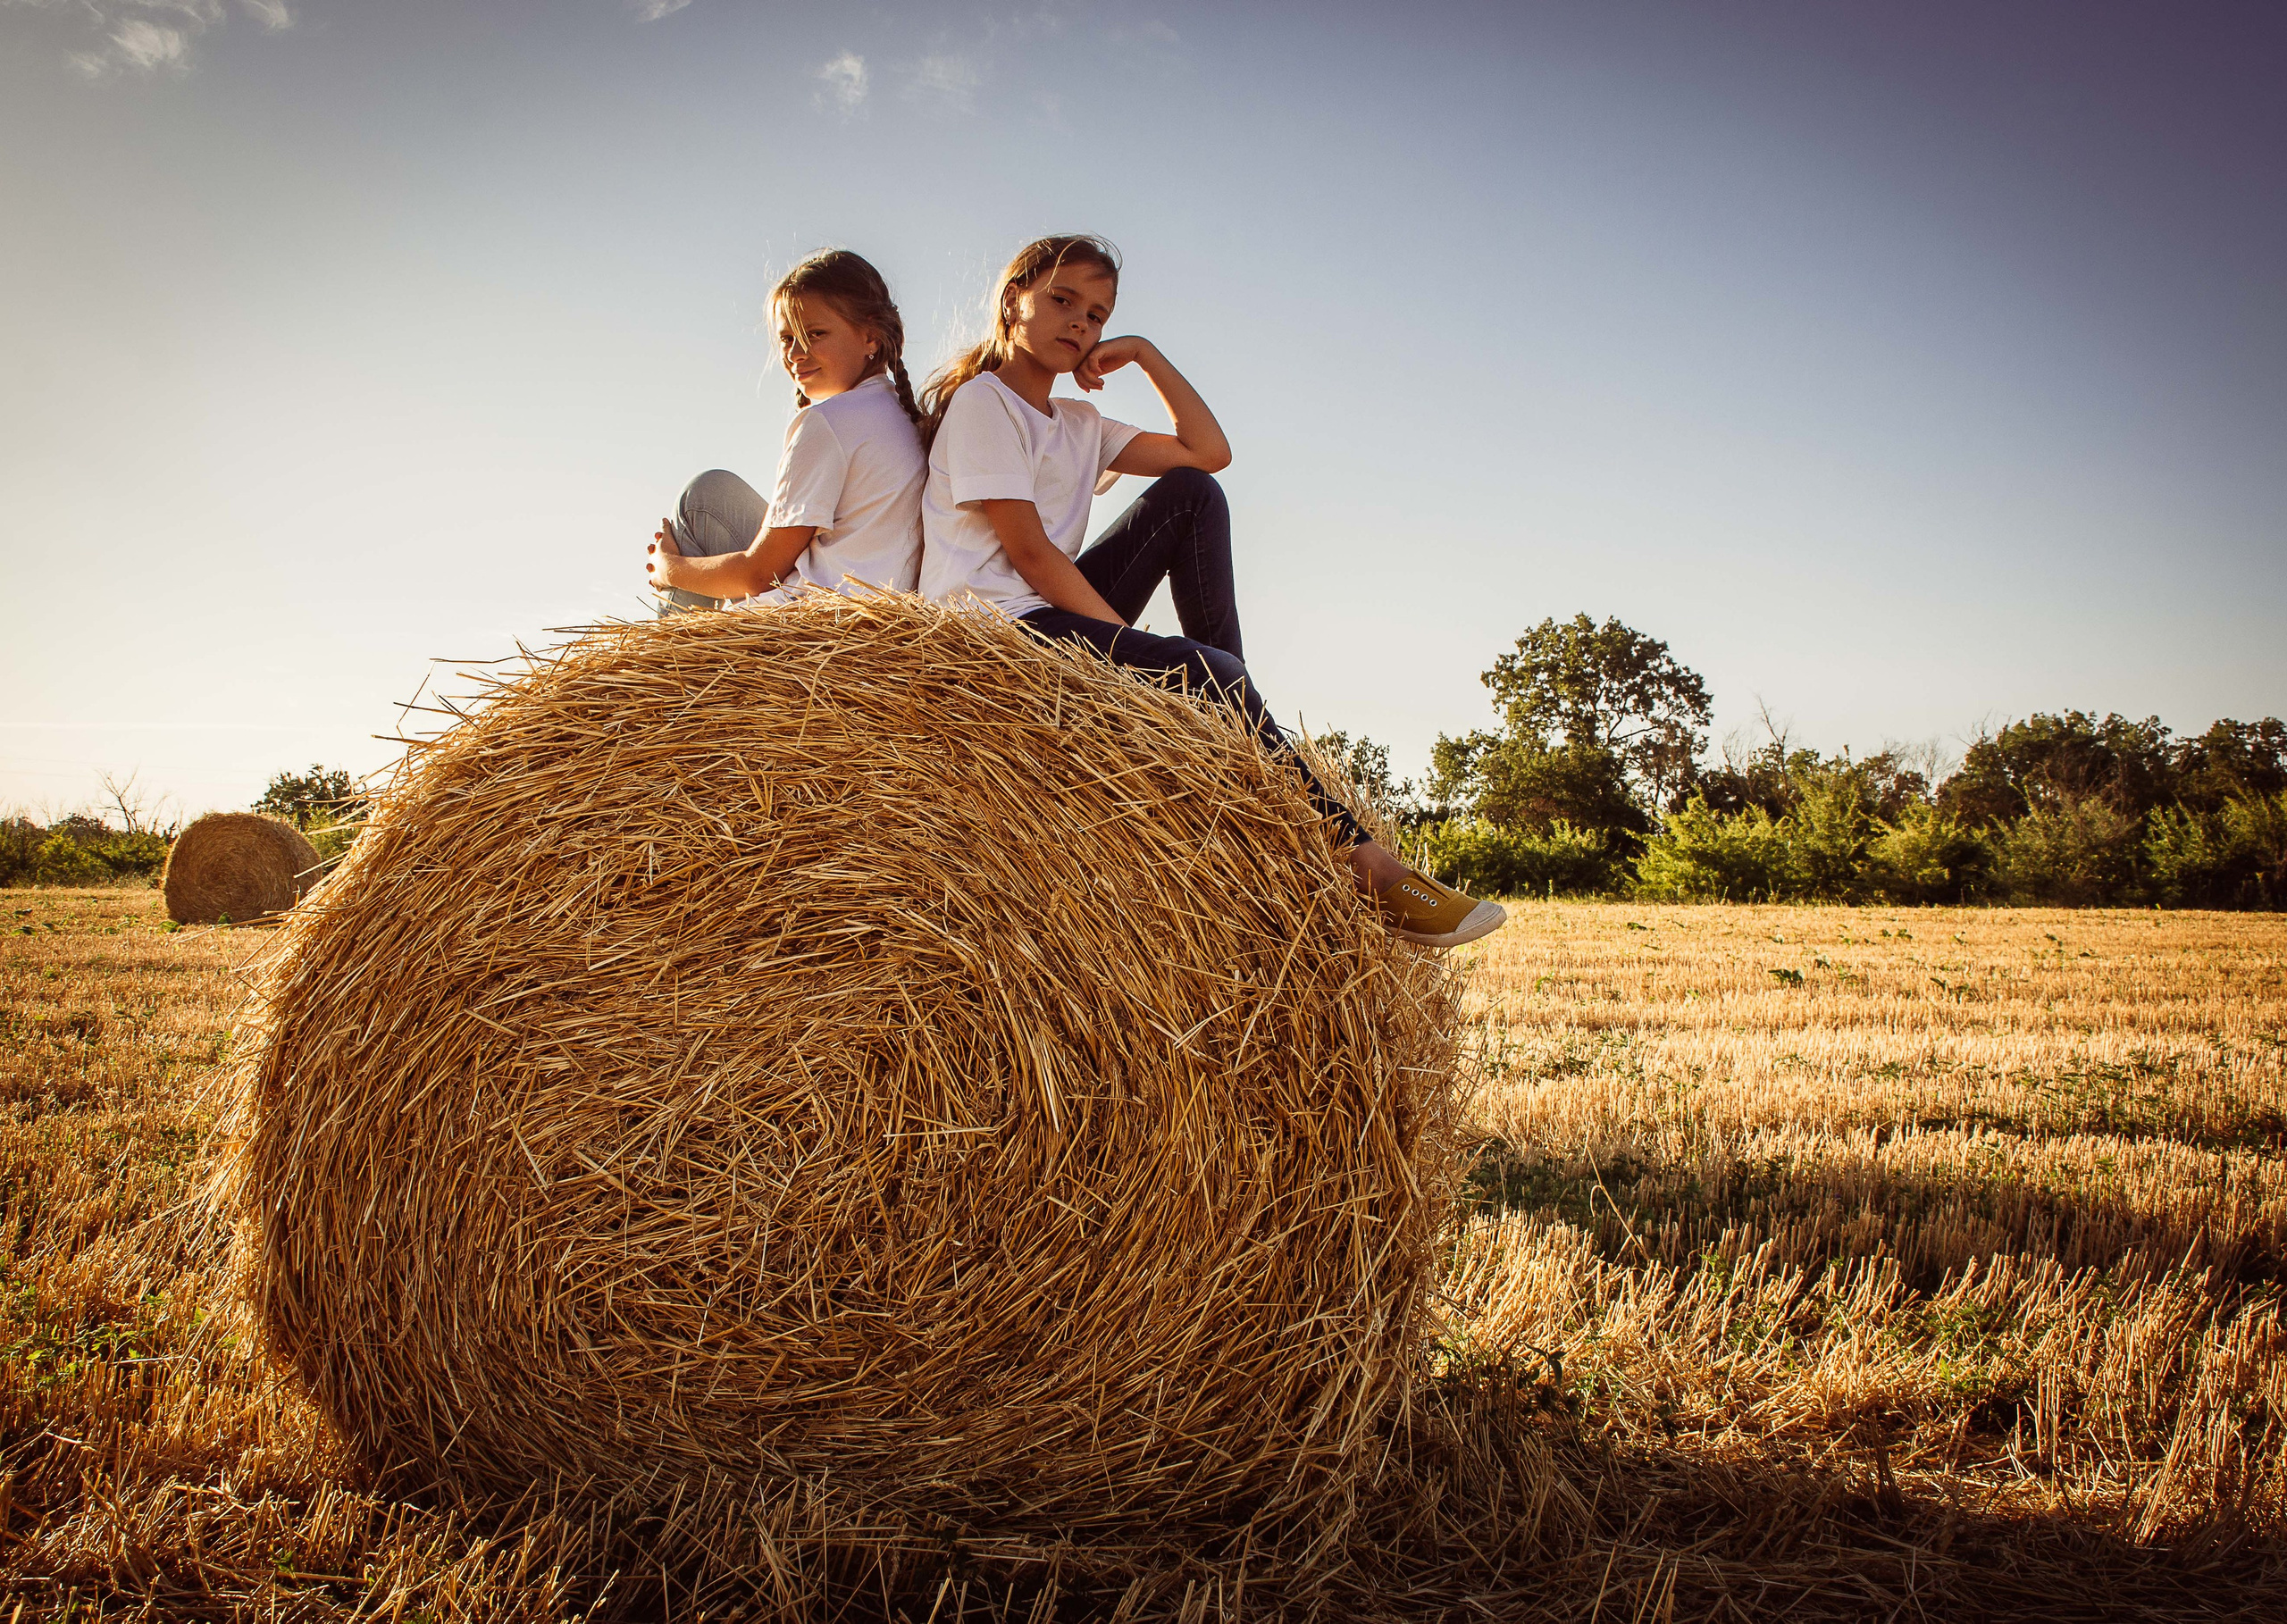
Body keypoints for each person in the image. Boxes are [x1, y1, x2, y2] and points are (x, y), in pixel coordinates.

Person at [916, 235, 1505, 949]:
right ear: (1014, 301)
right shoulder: (985, 403)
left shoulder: (1077, 422)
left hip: (1047, 615)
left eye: (1098, 315)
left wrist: (1143, 354)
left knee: (1193, 494)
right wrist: (1138, 657)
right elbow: (1033, 555)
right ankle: (1363, 862)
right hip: (988, 635)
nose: (1080, 324)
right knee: (1204, 672)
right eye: (1063, 300)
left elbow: (1207, 453)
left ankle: (1236, 730)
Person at [648, 250, 924, 610]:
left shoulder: (827, 422)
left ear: (871, 337)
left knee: (698, 502)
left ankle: (677, 665)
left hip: (814, 625)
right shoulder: (904, 419)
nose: (796, 353)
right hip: (875, 621)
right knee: (709, 492)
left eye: (815, 334)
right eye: (786, 339)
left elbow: (758, 576)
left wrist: (669, 570)